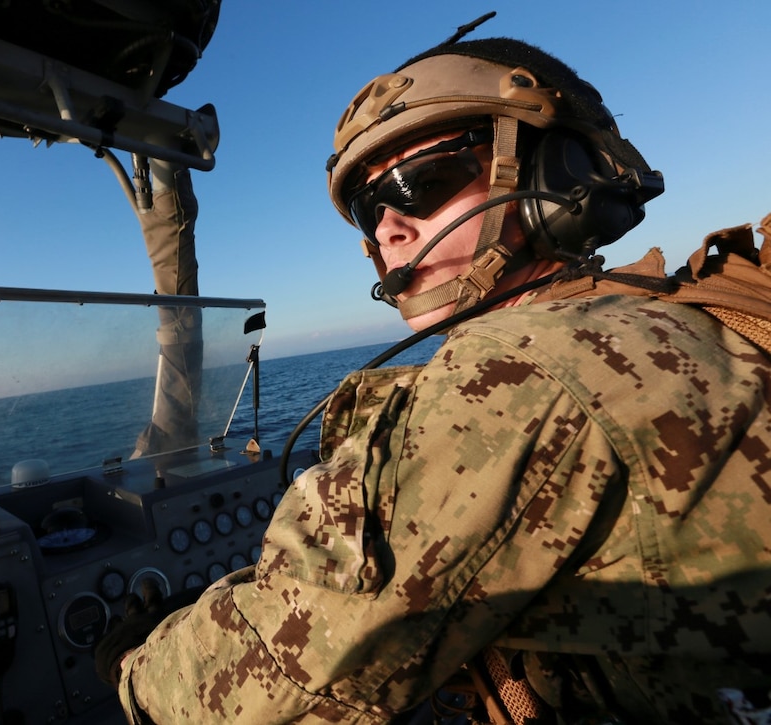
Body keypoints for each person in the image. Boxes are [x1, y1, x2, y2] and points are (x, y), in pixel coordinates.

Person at [95, 22, 771, 725]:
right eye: (370, 206)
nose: (387, 229)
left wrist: (134, 663)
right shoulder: (661, 311)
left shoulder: (520, 372)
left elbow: (267, 680)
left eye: (424, 182)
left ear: (552, 176)